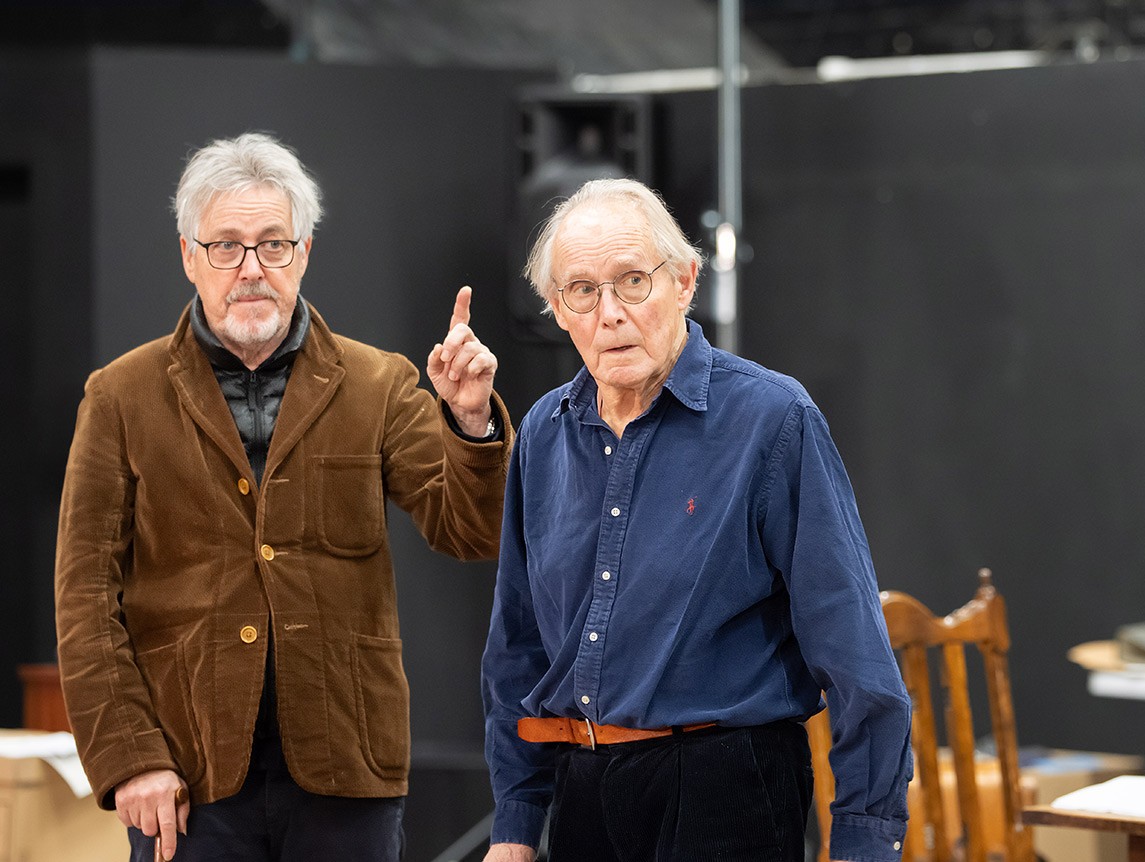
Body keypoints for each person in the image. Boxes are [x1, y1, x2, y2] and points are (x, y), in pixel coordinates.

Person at [53, 131, 512, 862]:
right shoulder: (119, 397)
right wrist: (129, 756)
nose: (251, 269)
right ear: (188, 256)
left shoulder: (380, 383)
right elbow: (84, 596)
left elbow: (470, 530)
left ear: (303, 254)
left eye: (273, 245)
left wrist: (470, 421)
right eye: (226, 247)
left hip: (346, 763)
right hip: (187, 768)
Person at [480, 177, 913, 862]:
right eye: (583, 291)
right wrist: (516, 819)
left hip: (726, 786)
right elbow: (518, 644)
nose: (610, 313)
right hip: (584, 791)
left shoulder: (772, 420)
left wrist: (865, 838)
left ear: (685, 281)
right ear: (556, 310)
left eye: (631, 280)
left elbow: (855, 650)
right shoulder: (542, 433)